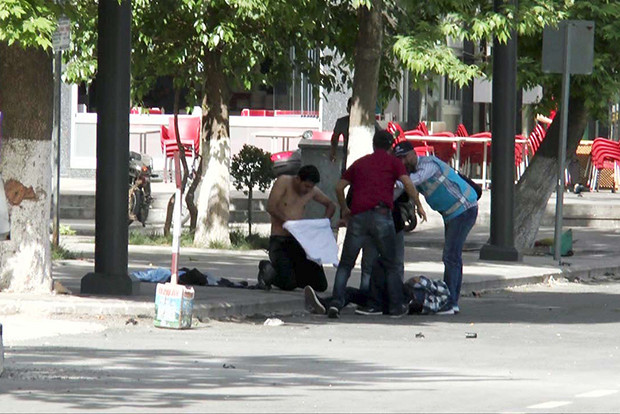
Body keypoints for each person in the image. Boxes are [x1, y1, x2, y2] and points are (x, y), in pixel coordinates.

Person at [327, 130, 426, 318]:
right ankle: (396, 307)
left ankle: (336, 302)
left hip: (358, 217)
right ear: (390, 147)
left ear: (373, 145)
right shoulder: (394, 163)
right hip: (382, 216)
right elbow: (408, 184)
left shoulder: (360, 163)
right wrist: (419, 205)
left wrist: (345, 209)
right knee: (391, 264)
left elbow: (339, 187)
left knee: (347, 263)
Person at [393, 141, 478, 314]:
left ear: (412, 154)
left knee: (451, 256)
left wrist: (392, 180)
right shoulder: (409, 172)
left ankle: (451, 302)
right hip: (452, 214)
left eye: (404, 158)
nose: (402, 162)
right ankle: (451, 299)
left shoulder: (429, 165)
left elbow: (411, 182)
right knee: (452, 256)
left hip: (464, 209)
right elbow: (401, 190)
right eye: (398, 159)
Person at [258, 165, 336, 292]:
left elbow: (331, 205)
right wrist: (288, 223)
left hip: (300, 241)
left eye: (311, 187)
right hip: (280, 240)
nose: (307, 190)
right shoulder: (284, 181)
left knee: (320, 285)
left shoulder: (312, 191)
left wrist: (322, 224)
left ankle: (293, 274)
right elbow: (271, 207)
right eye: (306, 186)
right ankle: (268, 268)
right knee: (289, 285)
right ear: (298, 179)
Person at [329, 98, 381, 174]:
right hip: (348, 157)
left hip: (366, 157)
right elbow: (335, 138)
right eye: (351, 109)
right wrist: (333, 152)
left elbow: (381, 135)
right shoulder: (342, 122)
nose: (354, 112)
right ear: (347, 109)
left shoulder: (369, 121)